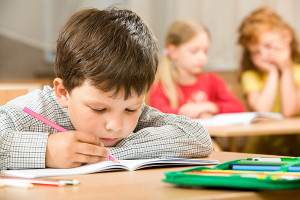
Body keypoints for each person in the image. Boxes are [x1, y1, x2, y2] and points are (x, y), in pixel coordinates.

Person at [0, 7, 212, 170]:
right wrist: (46, 151)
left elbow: (197, 137)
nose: (115, 125)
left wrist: (106, 154)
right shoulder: (35, 111)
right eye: (98, 109)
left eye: (130, 109)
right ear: (63, 92)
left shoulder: (138, 114)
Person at [149, 19, 245, 119]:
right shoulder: (161, 86)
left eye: (205, 51)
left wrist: (210, 107)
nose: (202, 58)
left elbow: (238, 108)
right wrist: (188, 112)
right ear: (173, 52)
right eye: (194, 51)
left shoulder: (213, 81)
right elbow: (158, 115)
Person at [238, 7, 300, 155]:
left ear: (286, 36)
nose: (264, 55)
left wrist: (286, 68)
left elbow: (289, 111)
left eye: (268, 46)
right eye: (256, 52)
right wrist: (272, 73)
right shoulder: (251, 75)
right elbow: (262, 111)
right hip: (260, 151)